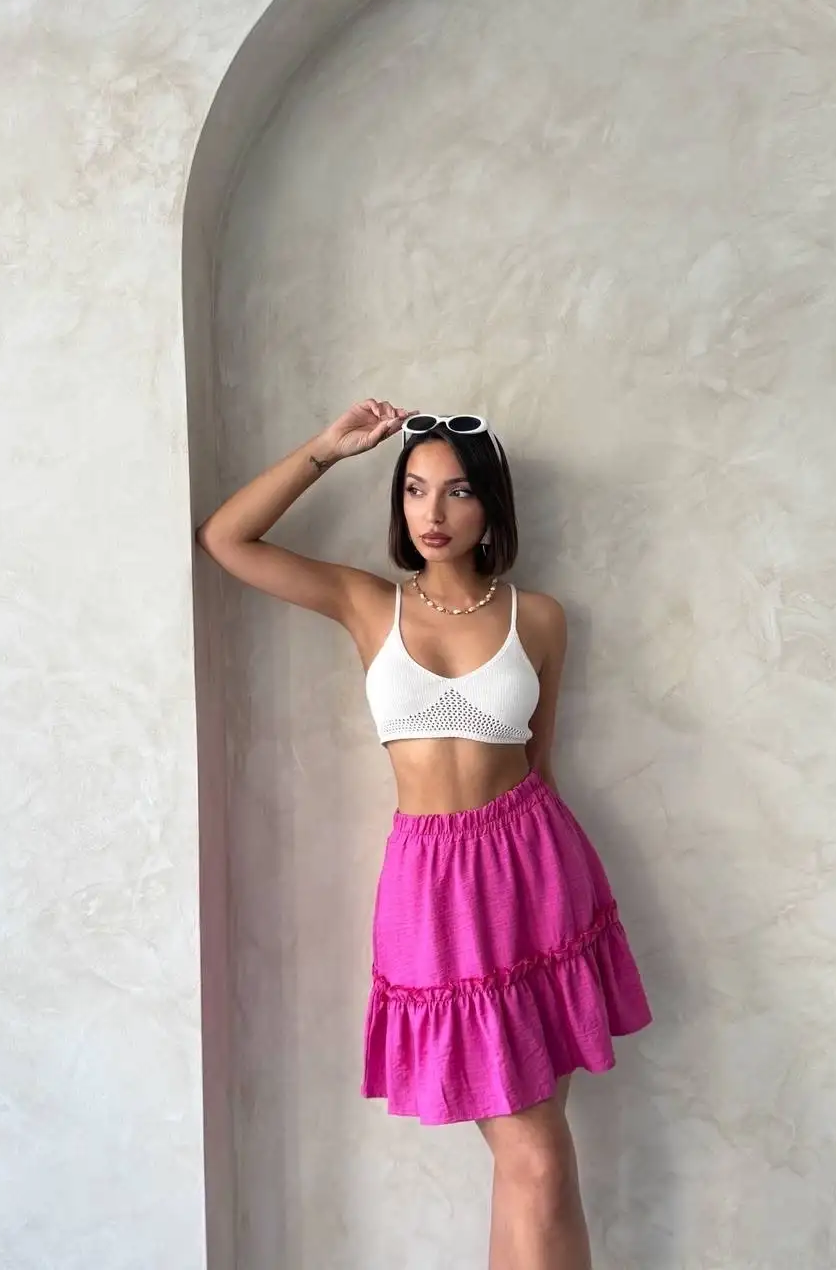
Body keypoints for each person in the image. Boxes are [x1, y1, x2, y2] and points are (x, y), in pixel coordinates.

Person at [196, 398, 653, 1270]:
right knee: (536, 1158)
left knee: (535, 1163)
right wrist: (326, 450)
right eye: (413, 490)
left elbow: (541, 765)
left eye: (456, 492)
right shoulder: (368, 604)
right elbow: (226, 539)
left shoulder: (540, 618)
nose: (432, 512)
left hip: (535, 873)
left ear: (491, 504)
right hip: (432, 893)